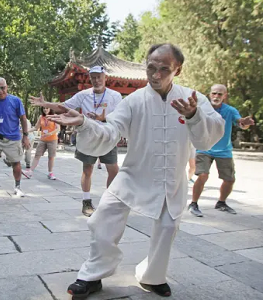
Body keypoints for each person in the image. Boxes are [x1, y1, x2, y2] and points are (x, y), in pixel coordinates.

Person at [41, 44, 225, 298]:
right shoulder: (134, 101)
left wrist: (193, 115)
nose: (156, 75)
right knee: (104, 216)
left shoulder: (193, 98)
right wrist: (85, 122)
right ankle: (92, 274)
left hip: (171, 178)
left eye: (164, 69)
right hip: (133, 174)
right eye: (151, 67)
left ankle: (153, 276)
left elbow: (208, 138)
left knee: (168, 227)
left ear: (178, 70)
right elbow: (110, 131)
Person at [30, 65, 123, 216]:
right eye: (93, 77)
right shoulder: (84, 94)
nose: (96, 80)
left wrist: (104, 118)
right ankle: (86, 202)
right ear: (90, 78)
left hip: (107, 137)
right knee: (87, 169)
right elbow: (63, 107)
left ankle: (108, 201)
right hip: (88, 137)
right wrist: (45, 104)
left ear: (105, 77)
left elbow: (121, 116)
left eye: (99, 76)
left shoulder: (115, 96)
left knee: (114, 170)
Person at [188, 84, 254, 217]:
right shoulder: (202, 109)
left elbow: (240, 122)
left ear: (225, 96)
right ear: (209, 94)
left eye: (219, 94)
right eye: (214, 93)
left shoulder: (230, 110)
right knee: (202, 175)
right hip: (204, 147)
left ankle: (221, 202)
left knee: (229, 179)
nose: (216, 96)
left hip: (224, 150)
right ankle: (193, 203)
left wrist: (245, 123)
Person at [24, 107, 59, 180]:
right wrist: (26, 131)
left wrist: (49, 134)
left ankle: (50, 173)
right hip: (43, 139)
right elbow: (36, 128)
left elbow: (58, 129)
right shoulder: (41, 117)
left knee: (51, 157)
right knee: (37, 155)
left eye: (47, 108)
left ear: (50, 109)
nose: (45, 110)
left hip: (52, 139)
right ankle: (30, 172)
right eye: (43, 108)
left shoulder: (54, 116)